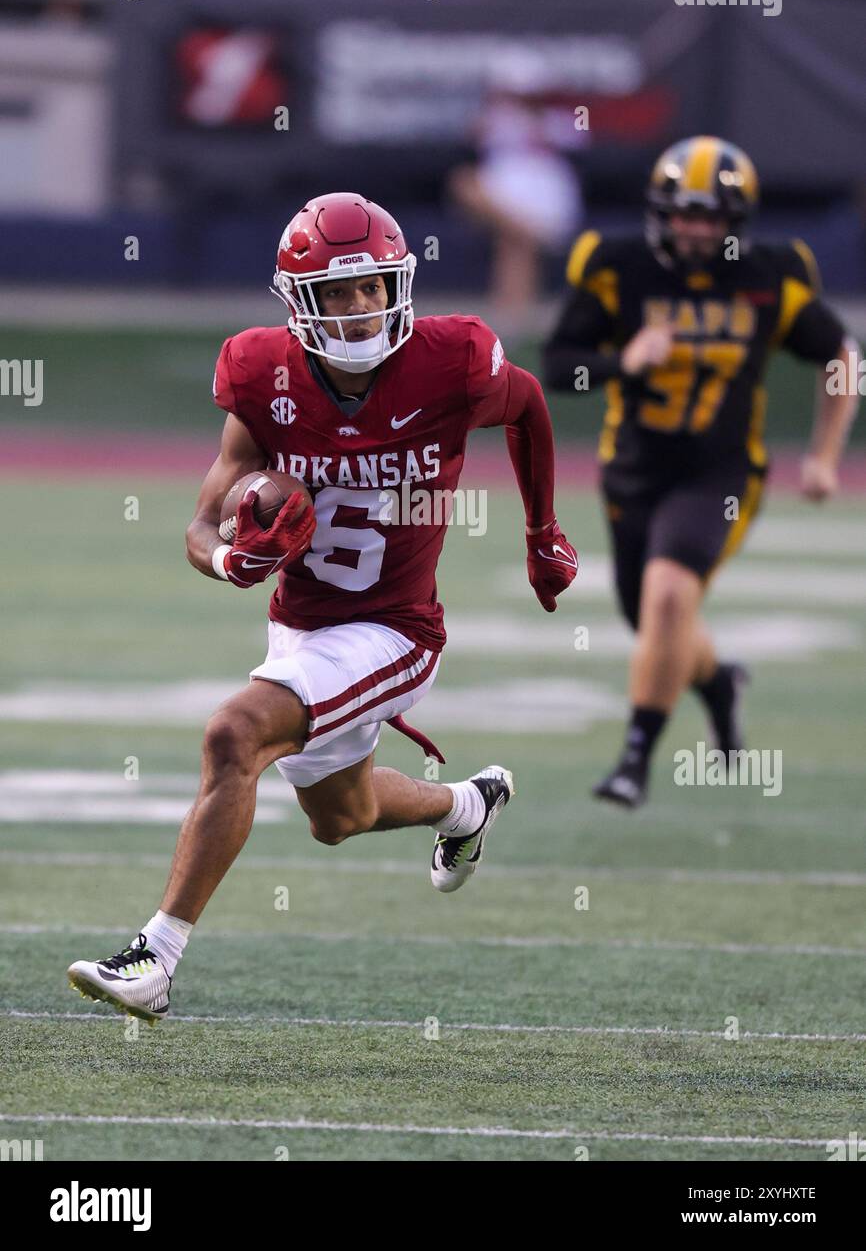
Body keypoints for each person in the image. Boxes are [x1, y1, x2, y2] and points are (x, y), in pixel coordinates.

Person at [67, 191, 578, 1020]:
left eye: (372, 287)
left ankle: (156, 959)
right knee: (341, 815)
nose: (359, 307)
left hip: (398, 629)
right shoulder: (263, 373)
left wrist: (542, 532)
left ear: (397, 286)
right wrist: (231, 558)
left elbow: (527, 407)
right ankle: (468, 803)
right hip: (304, 625)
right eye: (337, 293)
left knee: (235, 733)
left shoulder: (452, 359)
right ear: (301, 302)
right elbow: (202, 522)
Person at [543, 137, 859, 808]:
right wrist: (621, 361)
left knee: (665, 597)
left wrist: (826, 455)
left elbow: (842, 355)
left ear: (735, 223)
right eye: (683, 214)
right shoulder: (616, 265)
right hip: (631, 470)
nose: (694, 230)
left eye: (710, 217)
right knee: (657, 620)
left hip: (721, 474)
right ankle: (719, 685)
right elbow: (558, 368)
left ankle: (634, 760)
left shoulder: (770, 275)